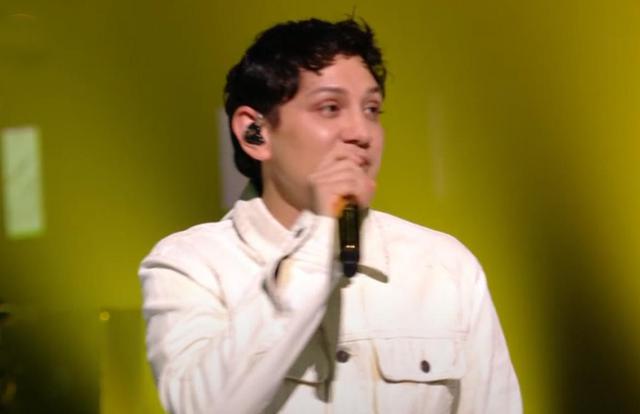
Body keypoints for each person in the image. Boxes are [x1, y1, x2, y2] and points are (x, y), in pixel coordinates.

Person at [139, 18, 521, 414]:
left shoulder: (443, 267)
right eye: (330, 108)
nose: (361, 132)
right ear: (255, 132)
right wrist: (320, 237)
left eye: (372, 109)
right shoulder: (190, 265)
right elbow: (201, 407)